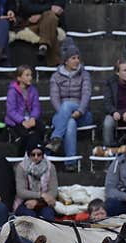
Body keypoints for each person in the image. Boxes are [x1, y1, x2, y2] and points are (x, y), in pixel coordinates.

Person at [47, 39, 93, 168]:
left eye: (78, 58)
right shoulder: (55, 77)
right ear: (66, 61)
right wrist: (65, 113)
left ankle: (55, 137)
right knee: (70, 123)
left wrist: (80, 111)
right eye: (73, 58)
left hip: (83, 113)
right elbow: (54, 98)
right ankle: (71, 162)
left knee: (67, 105)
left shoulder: (85, 75)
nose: (77, 61)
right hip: (63, 113)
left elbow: (86, 95)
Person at [14, 141, 59, 221]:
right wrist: (40, 195)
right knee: (30, 217)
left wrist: (38, 202)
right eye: (33, 154)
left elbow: (53, 191)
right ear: (28, 154)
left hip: (45, 203)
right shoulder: (21, 167)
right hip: (25, 202)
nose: (36, 157)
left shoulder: (50, 167)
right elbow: (21, 192)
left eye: (39, 154)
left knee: (48, 216)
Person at [5, 65, 45, 156]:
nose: (30, 77)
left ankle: (39, 152)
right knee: (24, 133)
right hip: (16, 121)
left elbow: (36, 107)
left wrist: (33, 118)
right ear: (19, 78)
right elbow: (10, 111)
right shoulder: (12, 91)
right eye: (27, 75)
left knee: (41, 127)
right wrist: (22, 121)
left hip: (30, 118)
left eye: (31, 75)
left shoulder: (33, 90)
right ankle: (21, 155)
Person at [15, 0, 65, 66]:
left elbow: (58, 8)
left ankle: (43, 46)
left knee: (50, 17)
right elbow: (26, 7)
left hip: (51, 21)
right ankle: (55, 64)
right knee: (51, 19)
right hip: (31, 22)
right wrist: (49, 8)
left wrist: (41, 15)